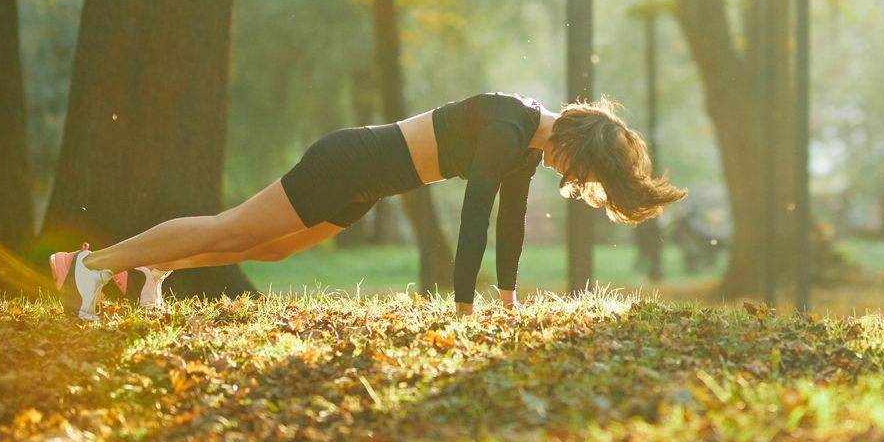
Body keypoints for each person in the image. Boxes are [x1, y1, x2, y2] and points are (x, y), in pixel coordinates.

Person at [49, 93, 686, 322]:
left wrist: (509, 299)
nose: (572, 180)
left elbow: (509, 225)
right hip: (347, 163)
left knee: (265, 248)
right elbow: (473, 220)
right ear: (576, 142)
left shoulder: (526, 147)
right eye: (583, 170)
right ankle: (94, 265)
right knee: (234, 230)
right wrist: (465, 309)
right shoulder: (507, 131)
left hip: (367, 186)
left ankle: (158, 268)